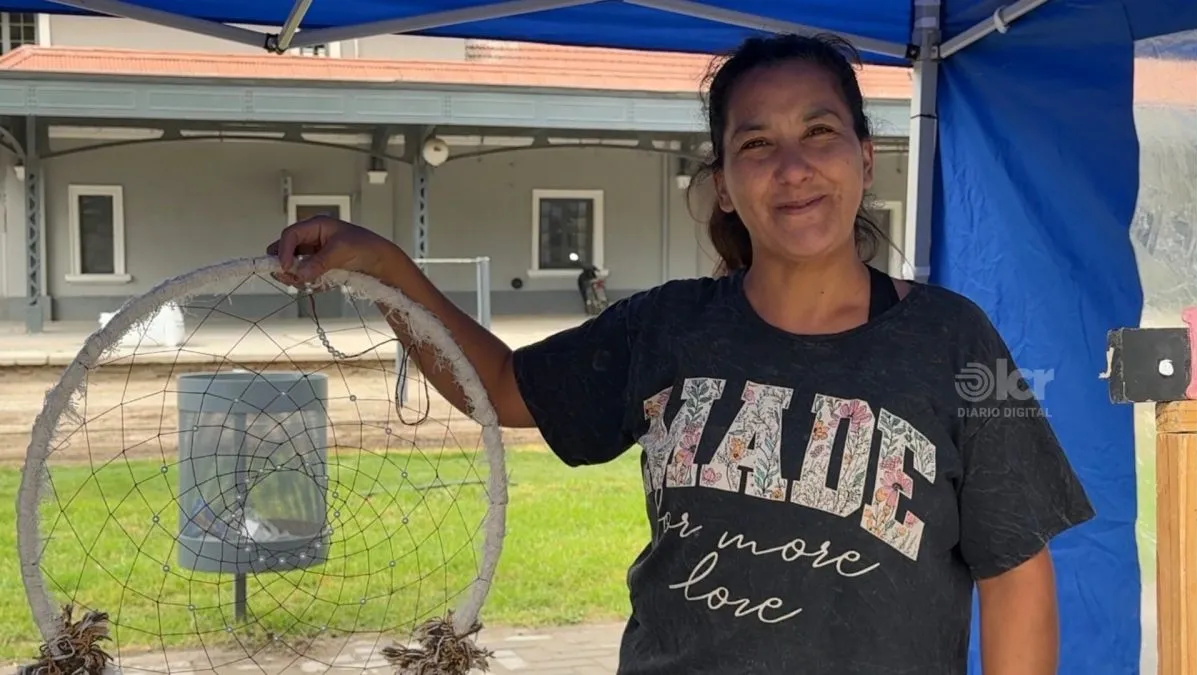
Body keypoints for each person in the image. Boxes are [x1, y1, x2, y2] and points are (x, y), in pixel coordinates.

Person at [267, 32, 1094, 675]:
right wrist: (386, 268)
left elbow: (1017, 572)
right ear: (724, 182)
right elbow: (507, 386)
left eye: (819, 132)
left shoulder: (956, 338)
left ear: (865, 156)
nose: (794, 167)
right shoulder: (667, 327)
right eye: (757, 144)